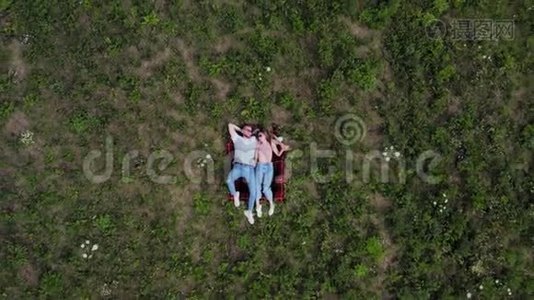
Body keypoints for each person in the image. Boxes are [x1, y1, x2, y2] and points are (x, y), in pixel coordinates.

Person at [254, 129, 290, 218]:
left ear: (265, 135)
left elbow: (277, 153)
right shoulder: (257, 144)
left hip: (269, 166)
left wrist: (282, 148)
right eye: (258, 136)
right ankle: (258, 206)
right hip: (260, 166)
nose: (259, 137)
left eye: (260, 135)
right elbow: (255, 158)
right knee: (257, 186)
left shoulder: (271, 142)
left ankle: (271, 205)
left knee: (266, 188)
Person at [226, 123, 258, 224]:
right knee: (228, 180)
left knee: (253, 192)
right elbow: (230, 125)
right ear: (243, 131)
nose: (249, 132)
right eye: (247, 130)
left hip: (249, 168)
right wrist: (240, 130)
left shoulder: (254, 139)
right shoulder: (237, 138)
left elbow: (257, 148)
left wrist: (256, 160)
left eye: (250, 130)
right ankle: (235, 194)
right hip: (238, 166)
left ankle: (249, 212)